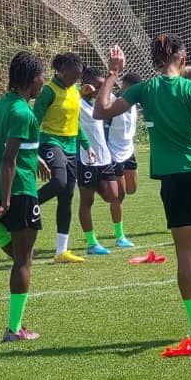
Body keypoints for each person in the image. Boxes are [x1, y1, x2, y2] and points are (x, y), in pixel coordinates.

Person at [94, 35, 191, 341]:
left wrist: (112, 72)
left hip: (172, 180)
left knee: (186, 255)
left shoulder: (144, 90)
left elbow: (101, 111)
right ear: (182, 57)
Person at [0, 51, 48, 342]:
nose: (43, 83)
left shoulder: (4, 104)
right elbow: (9, 159)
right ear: (33, 79)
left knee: (22, 257)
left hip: (0, 187)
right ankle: (14, 329)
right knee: (23, 260)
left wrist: (37, 159)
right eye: (42, 77)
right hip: (19, 190)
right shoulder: (23, 112)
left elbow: (16, 148)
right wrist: (8, 202)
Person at [33, 53, 93, 264]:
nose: (75, 80)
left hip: (71, 145)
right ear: (60, 71)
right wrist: (32, 150)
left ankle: (61, 251)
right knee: (59, 182)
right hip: (51, 142)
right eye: (72, 76)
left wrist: (87, 146)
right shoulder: (48, 91)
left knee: (67, 195)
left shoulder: (75, 91)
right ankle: (27, 206)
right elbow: (34, 121)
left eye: (78, 77)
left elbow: (75, 121)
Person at [76, 67, 121, 255]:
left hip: (105, 157)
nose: (105, 90)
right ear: (89, 86)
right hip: (86, 159)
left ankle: (120, 237)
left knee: (114, 196)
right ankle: (92, 243)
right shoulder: (77, 103)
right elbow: (63, 104)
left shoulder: (101, 102)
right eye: (100, 86)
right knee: (87, 201)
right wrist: (79, 93)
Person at [106, 71, 142, 247]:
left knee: (132, 189)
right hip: (113, 153)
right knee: (118, 196)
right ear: (125, 86)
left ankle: (106, 189)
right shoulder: (112, 101)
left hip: (129, 151)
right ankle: (120, 237)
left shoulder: (134, 104)